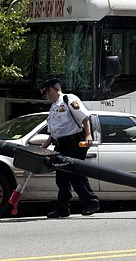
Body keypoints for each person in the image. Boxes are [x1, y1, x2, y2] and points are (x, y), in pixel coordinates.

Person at [39, 78, 100, 218]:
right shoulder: (54, 108)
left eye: (45, 94)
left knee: (76, 174)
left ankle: (91, 202)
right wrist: (43, 148)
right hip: (60, 145)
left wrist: (89, 135)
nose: (46, 98)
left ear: (51, 90)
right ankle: (62, 208)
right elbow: (53, 133)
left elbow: (85, 118)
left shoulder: (69, 100)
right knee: (61, 178)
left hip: (74, 144)